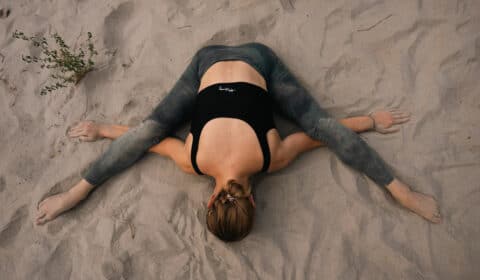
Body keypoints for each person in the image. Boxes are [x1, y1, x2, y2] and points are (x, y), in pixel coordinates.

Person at [35, 42, 441, 241]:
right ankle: (75, 195)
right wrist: (103, 130)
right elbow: (145, 142)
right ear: (210, 201)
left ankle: (403, 194)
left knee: (319, 125)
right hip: (207, 61)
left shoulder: (272, 158)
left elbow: (324, 136)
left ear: (254, 202)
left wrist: (370, 121)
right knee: (150, 131)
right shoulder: (193, 161)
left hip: (256, 60)